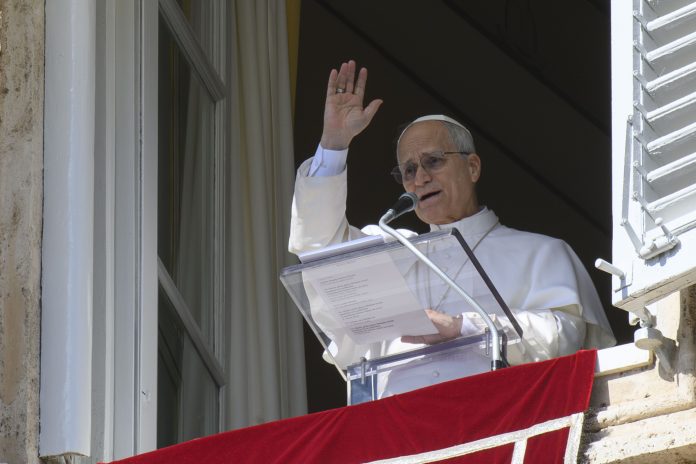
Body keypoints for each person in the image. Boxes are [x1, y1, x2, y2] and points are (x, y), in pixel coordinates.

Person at [289, 60, 615, 395]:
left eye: (433, 161)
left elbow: (564, 338)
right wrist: (333, 144)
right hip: (398, 433)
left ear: (472, 167)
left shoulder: (541, 252)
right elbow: (319, 251)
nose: (420, 178)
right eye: (409, 170)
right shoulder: (391, 253)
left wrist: (464, 327)